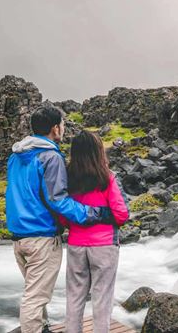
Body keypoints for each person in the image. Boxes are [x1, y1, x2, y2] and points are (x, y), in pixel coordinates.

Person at [6, 105, 111, 333]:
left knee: (33, 291)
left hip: (18, 237)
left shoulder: (15, 157)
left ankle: (42, 327)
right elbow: (58, 200)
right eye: (63, 125)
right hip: (41, 236)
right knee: (35, 297)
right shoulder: (51, 157)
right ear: (55, 128)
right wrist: (95, 213)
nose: (63, 129)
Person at [63, 130, 129, 333]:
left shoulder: (68, 179)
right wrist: (103, 214)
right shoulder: (106, 177)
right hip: (104, 246)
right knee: (102, 299)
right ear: (98, 151)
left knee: (74, 297)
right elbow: (121, 214)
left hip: (76, 244)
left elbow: (64, 215)